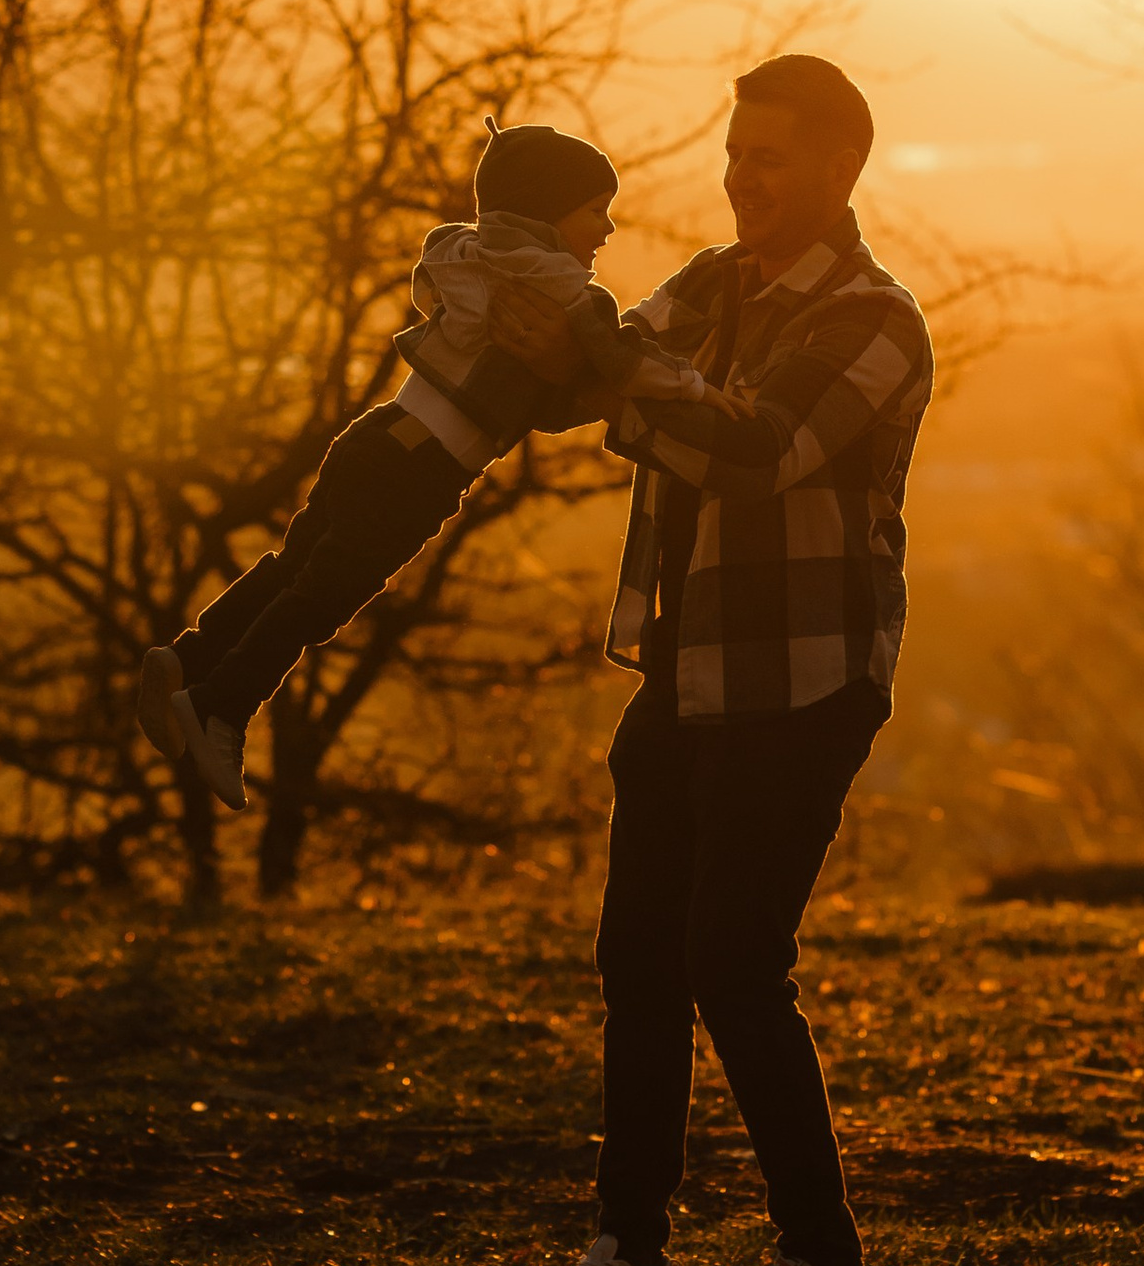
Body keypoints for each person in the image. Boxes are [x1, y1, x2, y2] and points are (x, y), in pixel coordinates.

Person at [494, 53, 933, 1266]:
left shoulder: (872, 319)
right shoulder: (713, 285)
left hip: (799, 682)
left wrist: (619, 378)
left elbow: (755, 450)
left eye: (772, 156)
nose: (744, 176)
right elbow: (605, 369)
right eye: (737, 153)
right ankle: (627, 1263)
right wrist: (524, 309)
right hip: (688, 667)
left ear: (842, 166)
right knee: (639, 963)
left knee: (737, 967)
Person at [133, 121, 718, 814]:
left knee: (298, 563)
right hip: (426, 468)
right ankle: (220, 709)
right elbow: (624, 364)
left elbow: (459, 319)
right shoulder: (570, 295)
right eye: (595, 210)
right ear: (545, 212)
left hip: (379, 434)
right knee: (324, 597)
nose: (609, 228)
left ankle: (192, 656)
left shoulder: (462, 251)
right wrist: (696, 388)